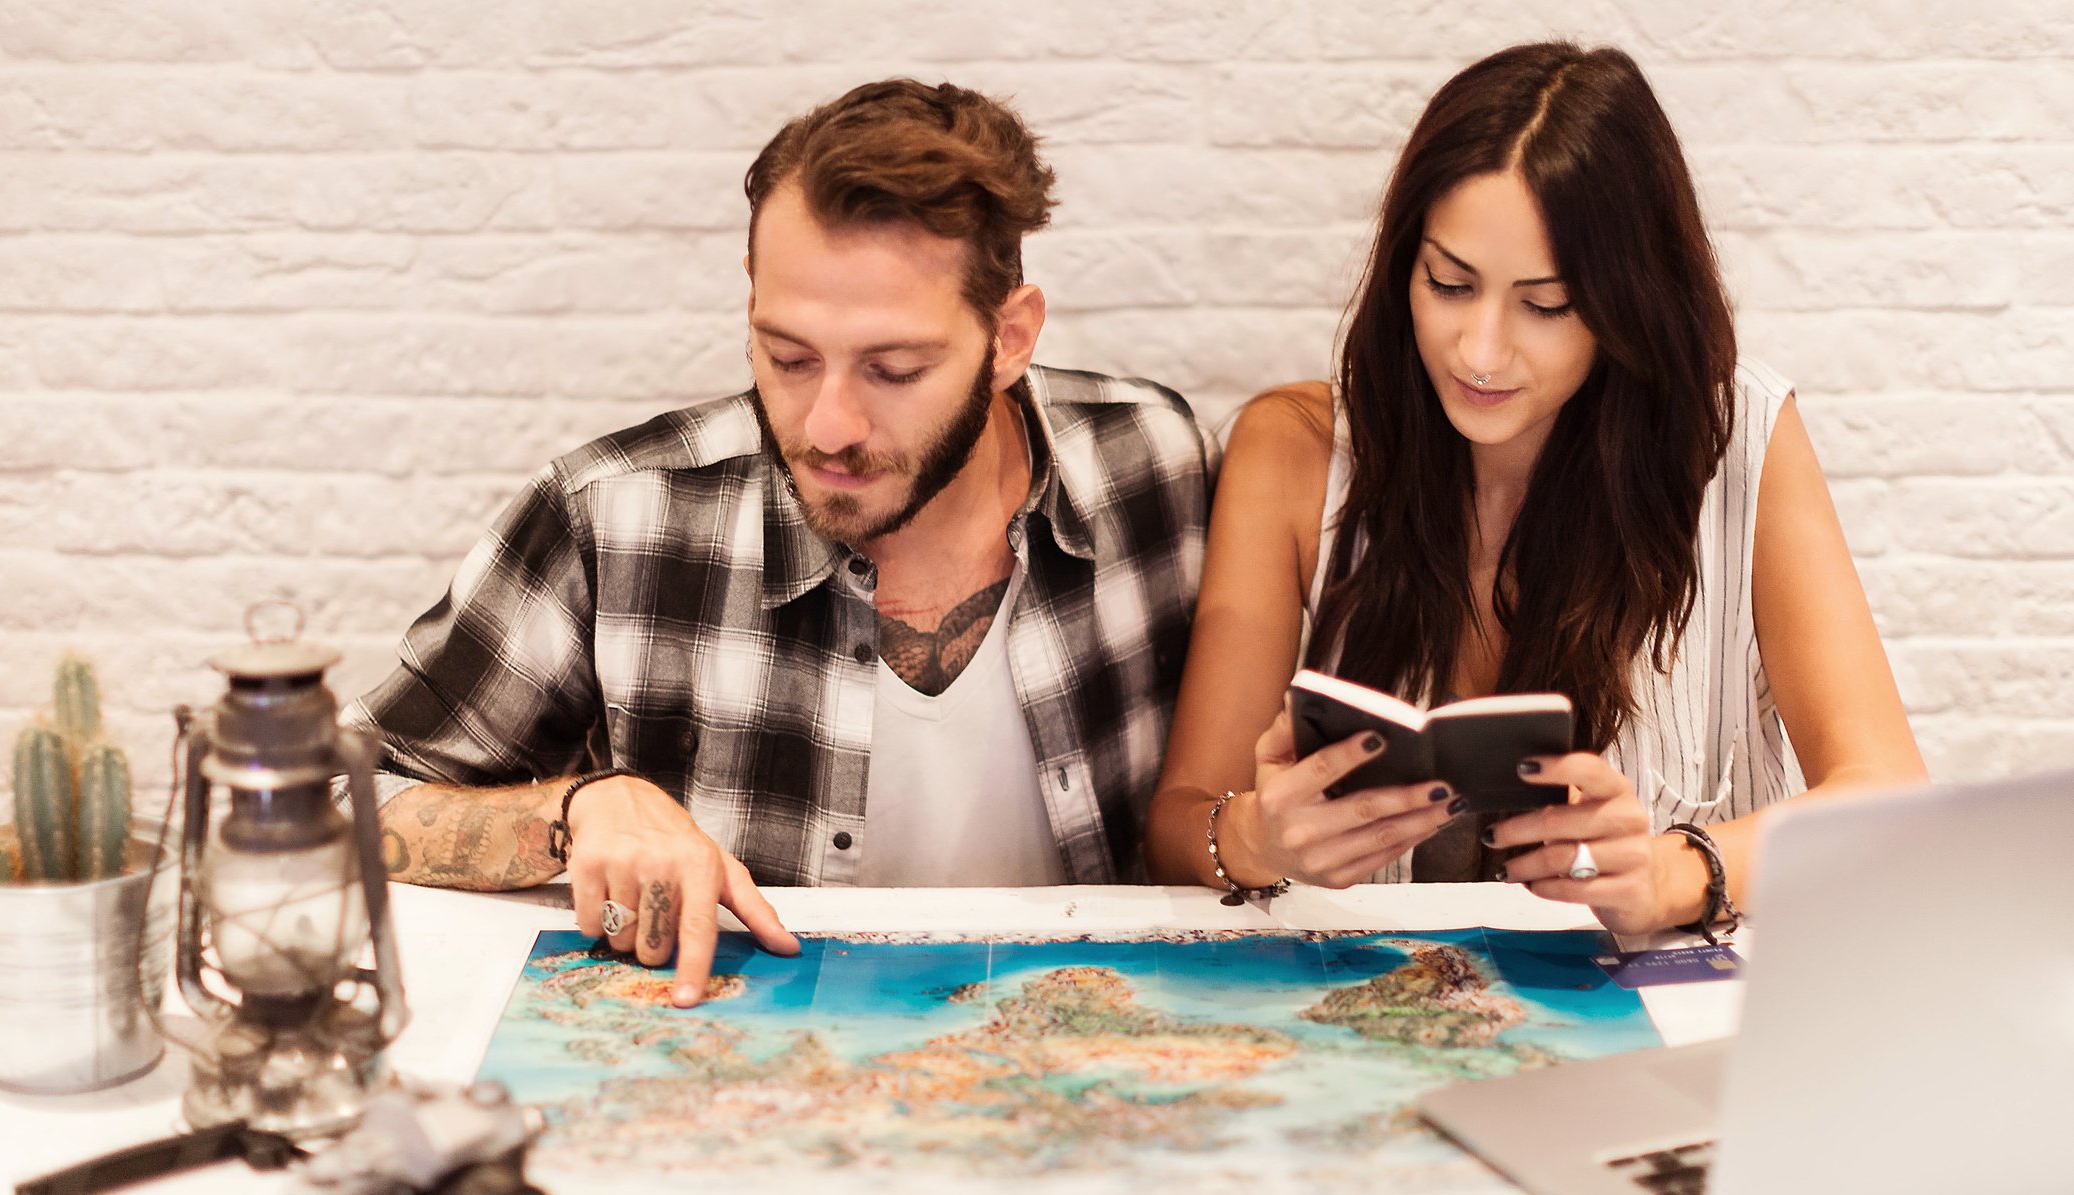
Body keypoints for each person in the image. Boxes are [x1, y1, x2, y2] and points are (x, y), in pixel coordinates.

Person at [349, 79, 1209, 1004]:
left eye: (894, 369)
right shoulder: (620, 517)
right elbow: (313, 798)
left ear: (1008, 338)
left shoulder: (1149, 463)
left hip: (1079, 1063)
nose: (828, 426)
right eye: (788, 358)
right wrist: (570, 814)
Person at [1146, 43, 1925, 936]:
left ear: (1627, 302)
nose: (1480, 351)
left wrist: (1670, 873)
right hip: (1372, 1025)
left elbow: (1886, 797)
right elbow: (1179, 821)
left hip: (1662, 1029)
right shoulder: (1295, 450)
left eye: (1544, 305)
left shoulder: (1736, 438)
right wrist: (1256, 837)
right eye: (1448, 283)